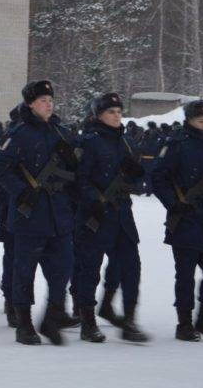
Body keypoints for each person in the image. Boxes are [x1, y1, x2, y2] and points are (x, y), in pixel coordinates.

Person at [0, 80, 77, 345]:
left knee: (63, 268)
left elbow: (75, 169)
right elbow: (0, 167)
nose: (48, 104)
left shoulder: (60, 132)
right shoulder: (19, 133)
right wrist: (20, 190)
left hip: (58, 213)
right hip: (30, 213)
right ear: (30, 104)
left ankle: (52, 316)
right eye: (42, 100)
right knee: (24, 271)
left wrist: (71, 158)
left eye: (50, 100)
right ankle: (24, 322)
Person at [74, 92, 148, 343]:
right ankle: (87, 321)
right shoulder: (89, 142)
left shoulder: (124, 141)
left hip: (122, 215)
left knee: (130, 268)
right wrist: (94, 200)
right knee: (90, 270)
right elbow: (79, 181)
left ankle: (129, 320)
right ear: (99, 115)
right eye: (111, 112)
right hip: (95, 217)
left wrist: (136, 176)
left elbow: (135, 176)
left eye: (119, 112)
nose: (117, 116)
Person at [151, 99, 203, 342]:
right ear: (189, 120)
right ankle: (184, 322)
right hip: (186, 218)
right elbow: (158, 178)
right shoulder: (176, 144)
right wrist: (174, 203)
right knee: (185, 275)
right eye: (200, 121)